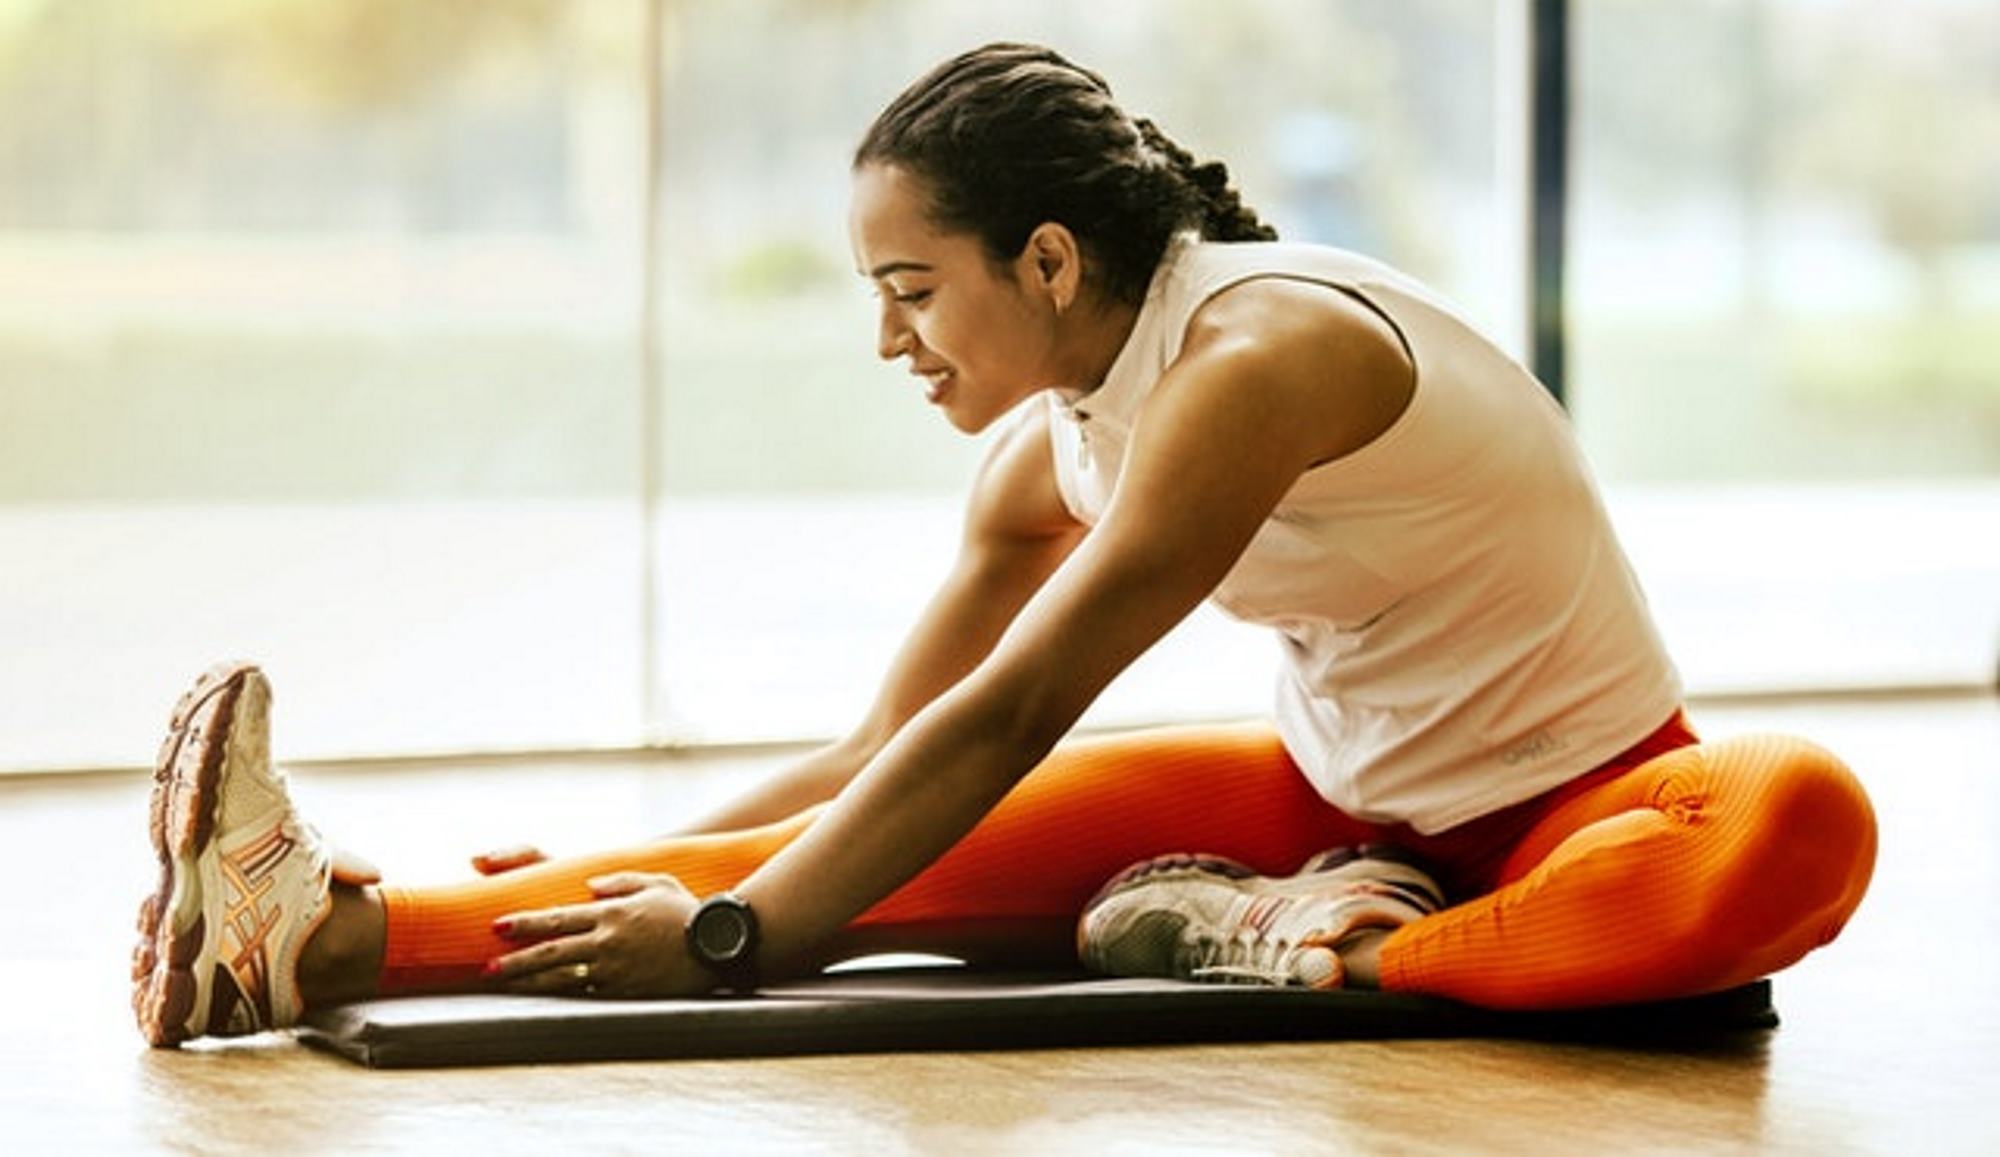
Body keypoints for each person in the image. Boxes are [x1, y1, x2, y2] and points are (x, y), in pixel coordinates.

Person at [131, 43, 1877, 1048]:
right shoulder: (1051, 450)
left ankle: (1325, 946)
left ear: (1047, 260)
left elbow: (1024, 701)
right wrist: (647, 863)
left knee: (1803, 817)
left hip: (1591, 805)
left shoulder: (1260, 363)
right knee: (834, 847)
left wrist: (745, 937)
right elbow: (883, 759)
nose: (892, 340)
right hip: (1337, 807)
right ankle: (295, 937)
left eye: (913, 290)